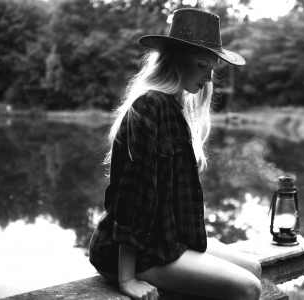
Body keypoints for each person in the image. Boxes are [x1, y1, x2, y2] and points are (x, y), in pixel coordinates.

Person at [89, 8, 262, 300]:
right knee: (248, 289)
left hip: (169, 240)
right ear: (178, 61)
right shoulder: (150, 106)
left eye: (212, 68)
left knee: (254, 267)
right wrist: (127, 279)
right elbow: (133, 198)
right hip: (138, 252)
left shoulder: (175, 106)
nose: (209, 78)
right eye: (202, 65)